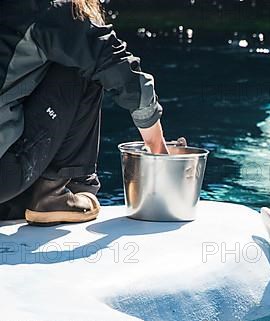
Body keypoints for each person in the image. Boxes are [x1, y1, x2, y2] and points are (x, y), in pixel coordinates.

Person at [0, 0, 168, 225]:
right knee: (83, 64)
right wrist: (157, 147)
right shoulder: (48, 9)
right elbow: (118, 68)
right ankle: (57, 193)